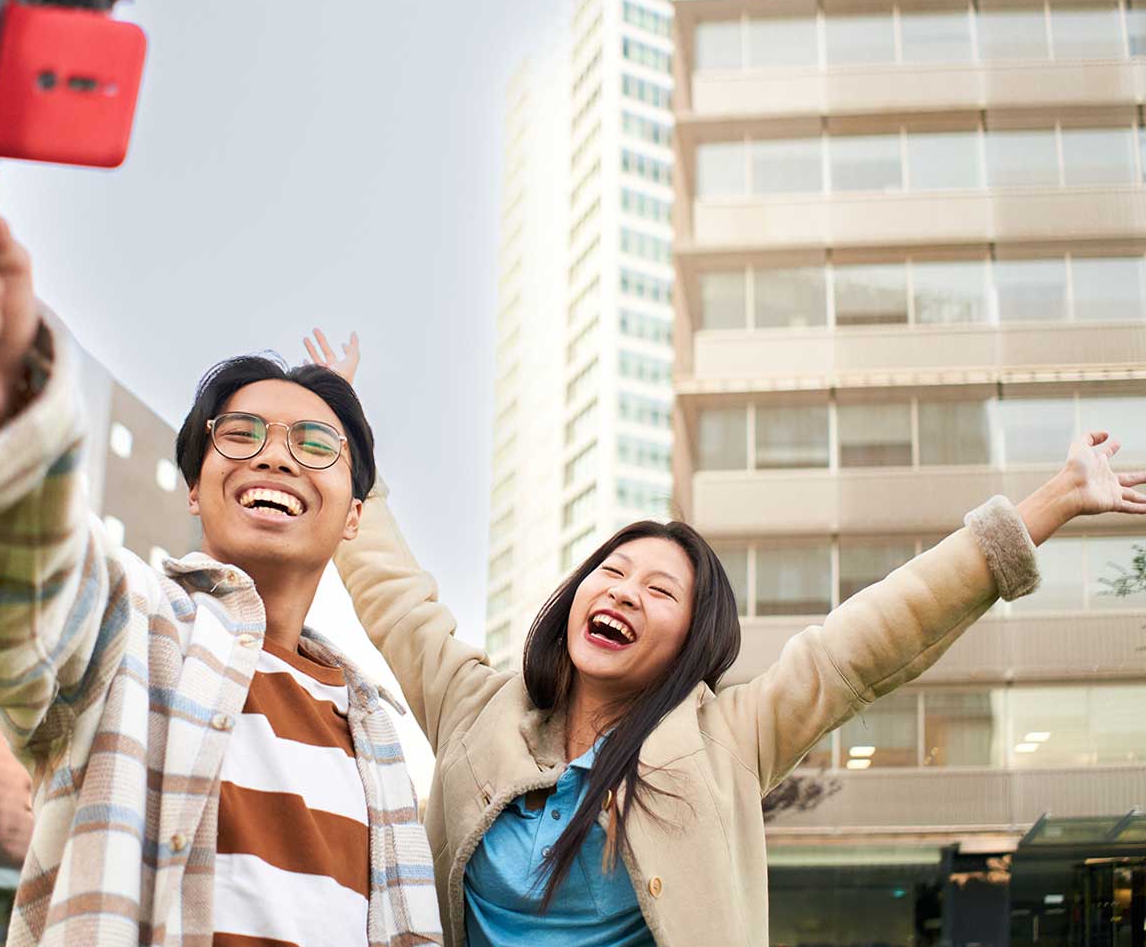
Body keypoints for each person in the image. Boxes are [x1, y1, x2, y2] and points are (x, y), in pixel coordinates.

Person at [303, 332, 1146, 947]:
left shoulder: (728, 739)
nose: (624, 592)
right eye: (613, 572)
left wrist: (1049, 505)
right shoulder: (476, 709)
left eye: (659, 591)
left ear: (689, 644)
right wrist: (343, 440)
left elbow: (869, 639)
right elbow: (397, 599)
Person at [0, 189, 442, 947]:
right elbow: (22, 579)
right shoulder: (135, 630)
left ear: (356, 514)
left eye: (316, 445)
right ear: (195, 487)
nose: (276, 453)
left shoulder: (375, 726)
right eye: (242, 432)